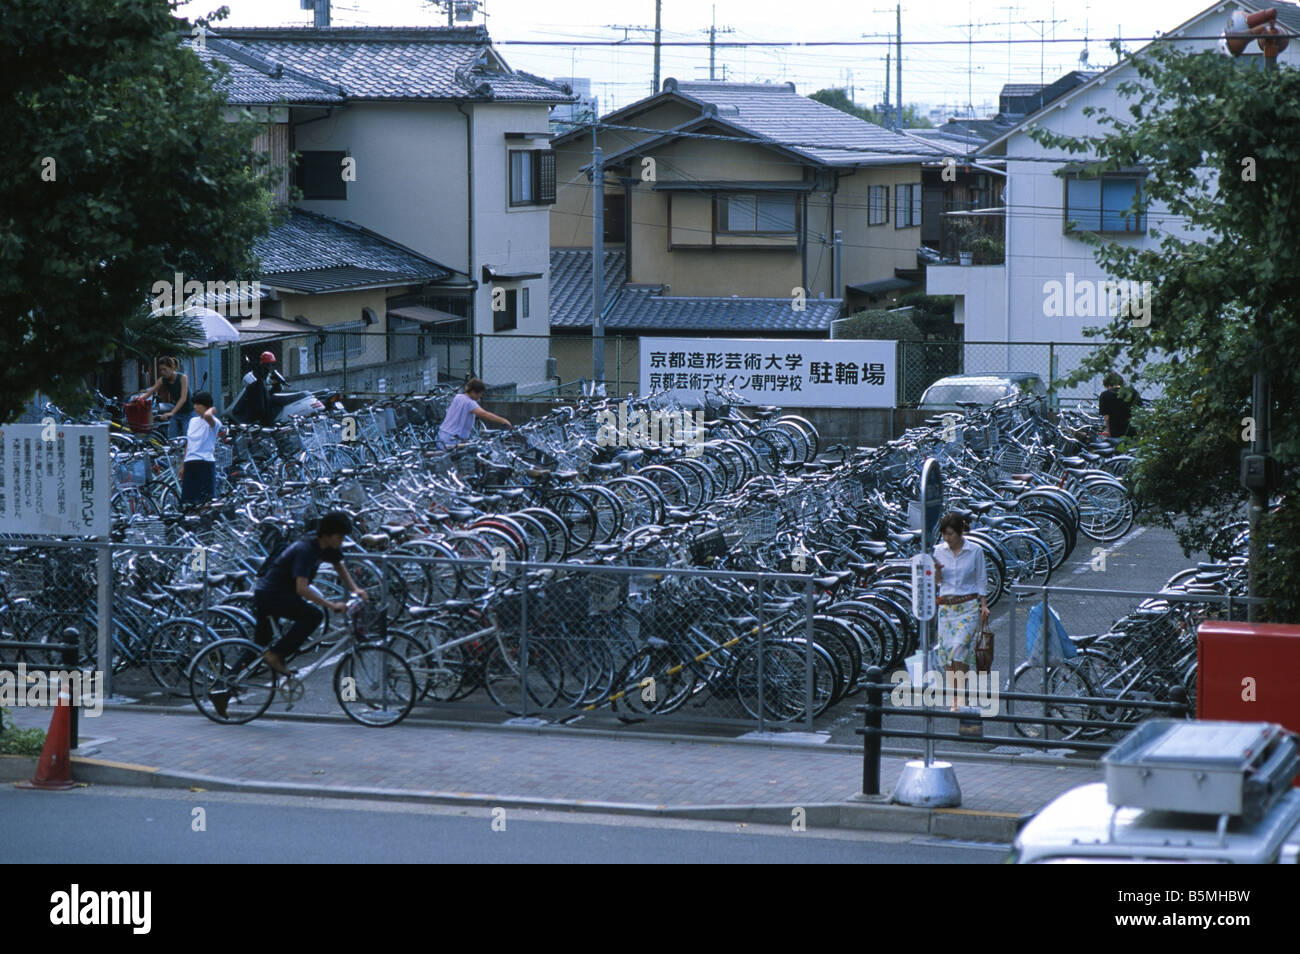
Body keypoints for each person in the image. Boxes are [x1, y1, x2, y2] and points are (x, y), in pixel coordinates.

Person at [209, 512, 368, 719]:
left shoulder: (325, 545)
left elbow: (339, 565)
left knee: (260, 645)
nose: (342, 541)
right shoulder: (306, 549)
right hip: (271, 596)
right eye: (340, 536)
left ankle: (221, 690)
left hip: (276, 594)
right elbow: (302, 589)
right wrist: (330, 604)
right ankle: (276, 655)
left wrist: (355, 589)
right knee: (313, 615)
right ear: (328, 534)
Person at [931, 512, 989, 709]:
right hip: (946, 608)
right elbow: (936, 582)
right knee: (947, 653)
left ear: (960, 532)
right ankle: (955, 694)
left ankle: (960, 696)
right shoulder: (938, 551)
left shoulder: (975, 551)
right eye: (944, 535)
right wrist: (936, 573)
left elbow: (981, 577)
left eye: (950, 534)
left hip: (968, 606)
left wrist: (984, 603)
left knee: (960, 649)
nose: (947, 539)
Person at [437, 378, 511, 447]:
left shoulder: (458, 397)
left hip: (443, 434)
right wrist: (503, 420)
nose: (480, 396)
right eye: (480, 393)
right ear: (472, 392)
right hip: (453, 439)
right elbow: (484, 414)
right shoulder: (470, 403)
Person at [178, 391, 220, 508]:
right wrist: (183, 465)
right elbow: (189, 444)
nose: (195, 407)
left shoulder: (214, 423)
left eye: (199, 405)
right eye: (194, 404)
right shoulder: (192, 421)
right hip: (190, 463)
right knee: (189, 502)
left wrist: (212, 409)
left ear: (206, 406)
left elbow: (207, 416)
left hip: (205, 463)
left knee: (206, 501)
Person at [134, 356, 192, 439]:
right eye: (161, 370)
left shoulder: (183, 377)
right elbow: (151, 391)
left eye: (164, 369)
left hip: (189, 412)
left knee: (187, 439)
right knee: (172, 439)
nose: (162, 372)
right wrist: (139, 399)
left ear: (172, 368)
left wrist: (172, 413)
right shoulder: (163, 379)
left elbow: (183, 398)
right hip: (177, 412)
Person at [1099, 372, 1142, 440]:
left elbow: (1107, 418)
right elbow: (1139, 413)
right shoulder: (1133, 392)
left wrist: (1109, 431)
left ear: (1108, 385)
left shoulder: (1105, 395)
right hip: (1132, 430)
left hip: (1116, 432)